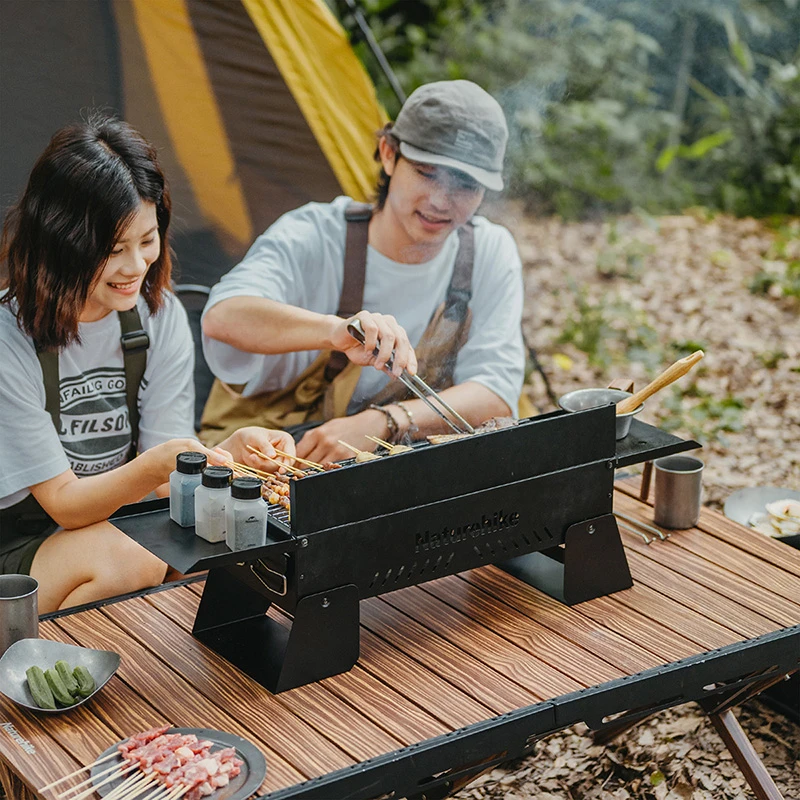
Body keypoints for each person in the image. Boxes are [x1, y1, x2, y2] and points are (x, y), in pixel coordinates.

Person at [0, 115, 295, 613]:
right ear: (60, 240)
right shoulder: (9, 336)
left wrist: (229, 454)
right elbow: (65, 504)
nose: (136, 266)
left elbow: (164, 480)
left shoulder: (158, 316)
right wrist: (164, 463)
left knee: (203, 542)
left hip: (106, 529)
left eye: (147, 239)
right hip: (20, 554)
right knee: (135, 558)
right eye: (114, 249)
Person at [201, 80, 525, 464]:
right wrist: (336, 331)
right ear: (389, 154)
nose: (440, 200)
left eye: (465, 185)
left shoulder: (487, 251)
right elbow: (223, 316)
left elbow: (495, 392)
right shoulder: (316, 235)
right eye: (426, 173)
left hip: (397, 467)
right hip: (275, 458)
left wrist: (384, 422)